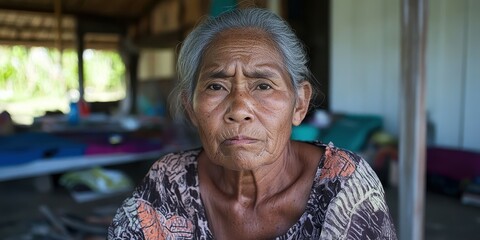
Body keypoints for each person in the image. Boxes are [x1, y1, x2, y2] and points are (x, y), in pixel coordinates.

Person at [108, 8, 397, 239]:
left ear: (299, 104)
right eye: (216, 87)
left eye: (263, 85)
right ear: (191, 108)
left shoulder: (344, 188)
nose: (239, 109)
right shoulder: (168, 183)